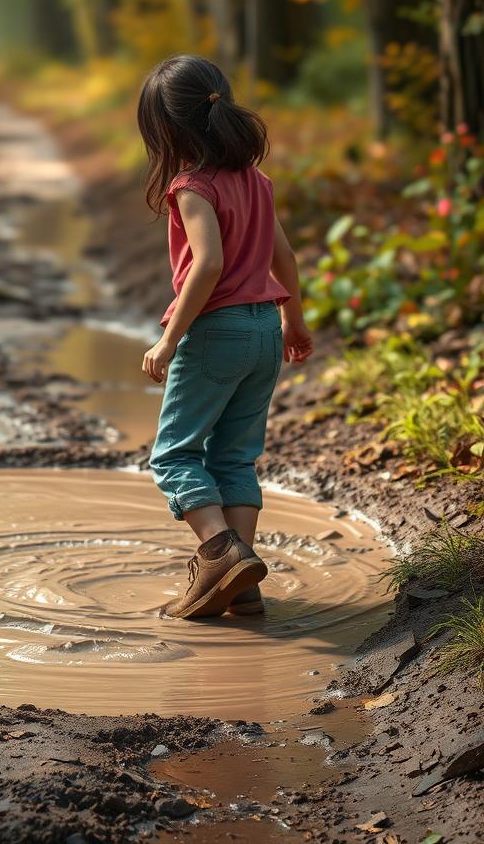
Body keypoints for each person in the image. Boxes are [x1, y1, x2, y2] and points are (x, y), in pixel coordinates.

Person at [137, 54, 314, 619]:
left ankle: (219, 553)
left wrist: (170, 338)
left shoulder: (191, 187)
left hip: (217, 330)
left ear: (167, 129)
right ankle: (243, 588)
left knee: (173, 455)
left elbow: (207, 265)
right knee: (236, 456)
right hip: (266, 327)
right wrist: (295, 320)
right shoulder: (256, 181)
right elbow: (283, 256)